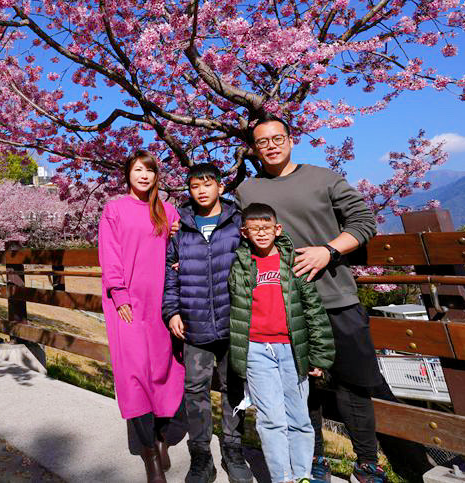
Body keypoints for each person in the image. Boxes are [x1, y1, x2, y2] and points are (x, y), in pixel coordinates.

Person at [236, 116, 422, 483]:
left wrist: (329, 251)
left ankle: (367, 462)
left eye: (278, 138)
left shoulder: (324, 178)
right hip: (286, 308)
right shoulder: (247, 190)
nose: (271, 146)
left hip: (336, 298)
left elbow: (363, 221)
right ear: (254, 149)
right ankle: (314, 459)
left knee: (356, 383)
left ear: (291, 140)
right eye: (262, 142)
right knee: (302, 388)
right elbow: (236, 233)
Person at [228, 202, 335, 483]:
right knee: (270, 419)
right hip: (256, 350)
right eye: (254, 229)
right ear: (244, 232)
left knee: (299, 418)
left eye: (266, 228)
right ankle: (281, 478)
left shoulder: (292, 263)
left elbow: (313, 309)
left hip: (293, 350)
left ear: (278, 229)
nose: (261, 234)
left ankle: (302, 476)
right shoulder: (240, 265)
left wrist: (320, 357)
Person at [98, 150, 185, 483]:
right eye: (138, 170)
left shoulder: (168, 211)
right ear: (128, 174)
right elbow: (111, 254)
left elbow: (177, 251)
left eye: (150, 170)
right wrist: (119, 293)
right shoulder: (114, 210)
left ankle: (162, 437)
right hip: (128, 305)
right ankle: (148, 454)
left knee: (165, 371)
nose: (144, 176)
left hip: (162, 305)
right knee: (133, 375)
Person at [162, 163, 251, 483]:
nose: (201, 190)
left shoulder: (237, 223)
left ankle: (233, 449)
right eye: (195, 185)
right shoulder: (181, 228)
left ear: (220, 188)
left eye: (208, 184)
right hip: (194, 324)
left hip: (233, 322)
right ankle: (201, 456)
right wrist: (171, 312)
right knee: (195, 390)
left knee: (235, 387)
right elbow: (168, 278)